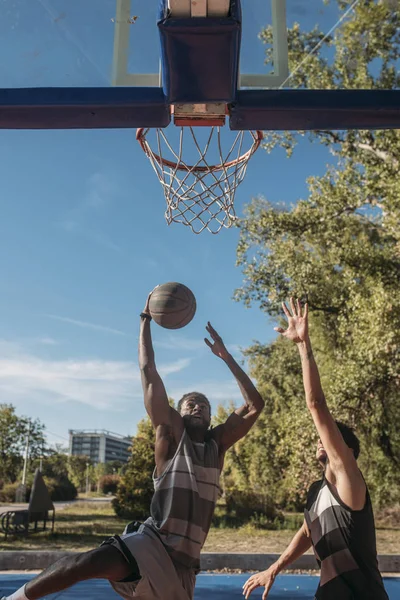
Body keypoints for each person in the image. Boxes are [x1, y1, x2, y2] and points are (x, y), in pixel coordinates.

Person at [2, 291, 264, 600]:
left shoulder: (216, 446)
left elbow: (255, 404)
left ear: (210, 417)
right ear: (177, 413)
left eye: (204, 406)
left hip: (184, 568)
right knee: (89, 561)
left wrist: (226, 356)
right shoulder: (170, 437)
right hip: (153, 543)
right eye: (191, 404)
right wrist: (145, 322)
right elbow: (149, 372)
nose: (198, 408)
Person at [243, 298, 388, 600]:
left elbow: (316, 405)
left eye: (333, 437)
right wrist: (275, 567)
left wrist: (302, 344)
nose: (321, 439)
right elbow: (309, 531)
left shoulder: (350, 480)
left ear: (347, 451)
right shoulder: (315, 492)